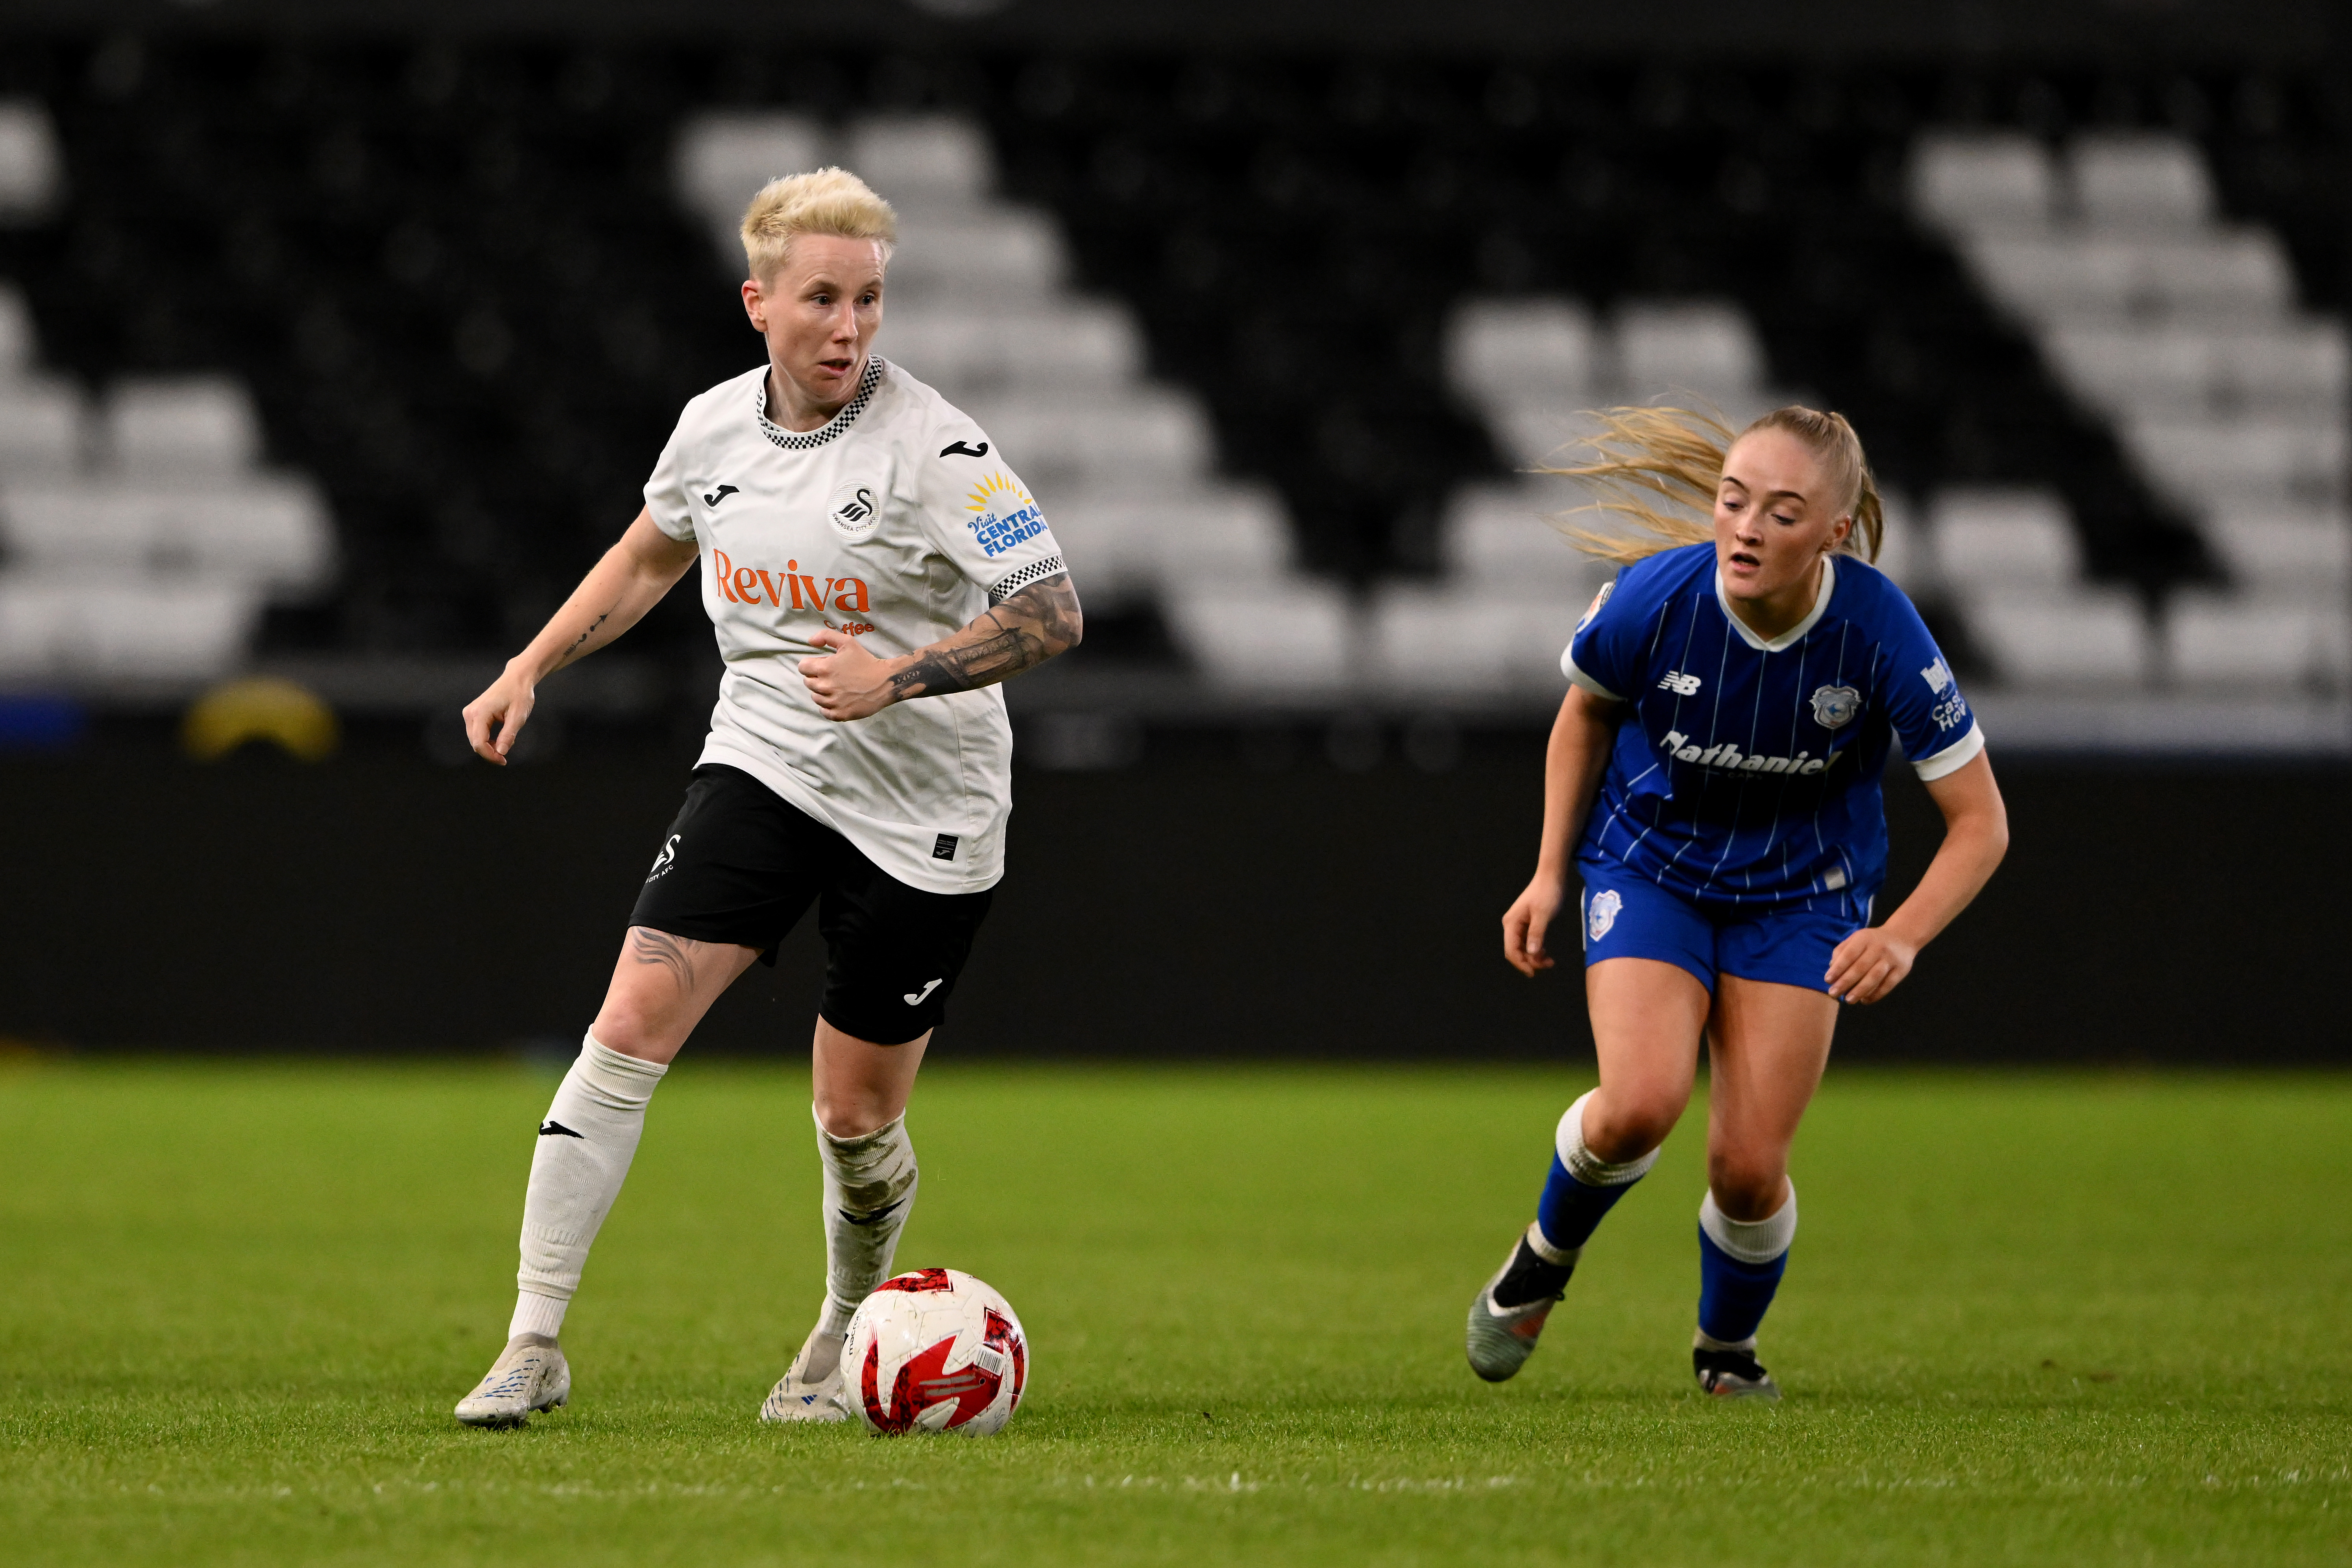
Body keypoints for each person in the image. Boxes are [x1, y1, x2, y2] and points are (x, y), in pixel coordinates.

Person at [448, 167, 1081, 1426]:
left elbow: (1054, 611)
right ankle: (532, 1341)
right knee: (628, 1018)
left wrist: (896, 676)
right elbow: (648, 554)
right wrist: (529, 664)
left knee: (853, 1116)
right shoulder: (713, 431)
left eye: (870, 301)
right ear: (760, 304)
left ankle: (847, 1333)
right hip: (768, 764)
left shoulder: (939, 449)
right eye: (823, 300)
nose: (850, 329)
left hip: (927, 810)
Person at [1465, 405, 2007, 1398]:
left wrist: (1902, 936)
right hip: (1650, 869)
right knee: (1636, 1106)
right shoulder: (1655, 599)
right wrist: (1548, 872)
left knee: (1749, 1169)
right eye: (1733, 499)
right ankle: (1543, 1257)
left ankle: (1725, 1352)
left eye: (1783, 511)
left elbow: (1982, 821)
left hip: (1803, 897)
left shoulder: (1878, 629)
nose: (1748, 527)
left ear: (1834, 533)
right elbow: (1582, 715)